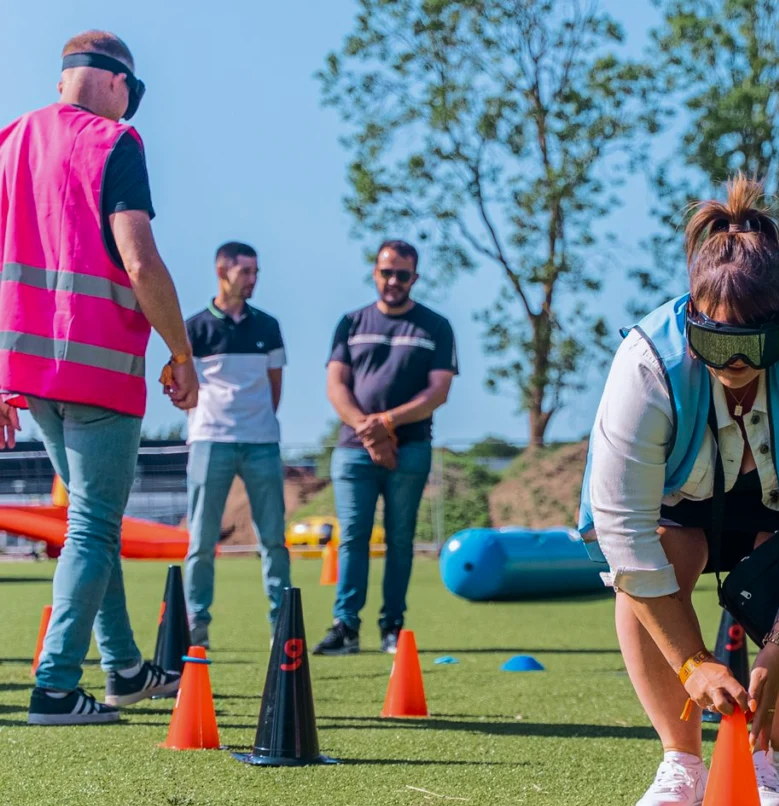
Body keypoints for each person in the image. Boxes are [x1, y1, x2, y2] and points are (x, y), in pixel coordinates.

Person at [579, 176, 779, 806]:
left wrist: (777, 650)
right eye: (717, 343)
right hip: (678, 513)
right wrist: (691, 662)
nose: (735, 362)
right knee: (652, 561)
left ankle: (769, 756)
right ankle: (681, 761)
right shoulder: (645, 363)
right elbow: (624, 534)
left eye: (756, 345)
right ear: (691, 319)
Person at [0, 31, 200, 724]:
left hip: (30, 373)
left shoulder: (11, 140)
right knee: (91, 527)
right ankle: (55, 687)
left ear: (63, 80)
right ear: (118, 85)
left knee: (95, 524)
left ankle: (124, 669)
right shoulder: (115, 143)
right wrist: (181, 352)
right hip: (99, 368)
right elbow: (139, 259)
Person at [313, 240, 457, 656]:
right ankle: (345, 627)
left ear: (415, 277)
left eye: (403, 274)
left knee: (400, 538)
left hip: (410, 449)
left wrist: (388, 423)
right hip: (353, 450)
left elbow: (438, 391)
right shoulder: (350, 322)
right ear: (374, 273)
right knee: (353, 537)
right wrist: (367, 429)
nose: (393, 281)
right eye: (386, 272)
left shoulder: (436, 326)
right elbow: (336, 384)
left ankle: (392, 626)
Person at [183, 242, 290, 647]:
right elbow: (186, 387)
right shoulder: (194, 328)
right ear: (221, 270)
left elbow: (275, 387)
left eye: (256, 272)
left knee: (274, 540)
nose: (253, 279)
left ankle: (282, 624)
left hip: (262, 443)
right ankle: (197, 624)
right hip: (210, 442)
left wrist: (260, 422)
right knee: (201, 540)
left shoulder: (269, 326)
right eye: (246, 271)